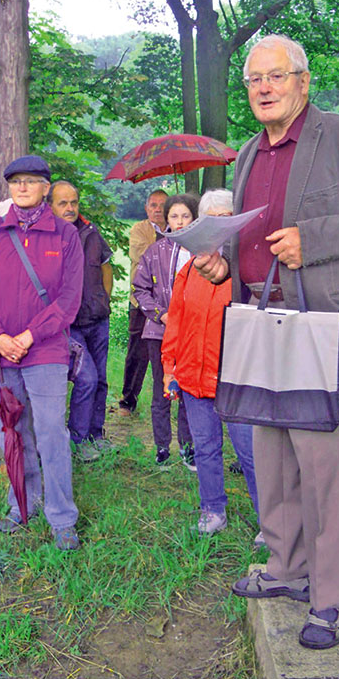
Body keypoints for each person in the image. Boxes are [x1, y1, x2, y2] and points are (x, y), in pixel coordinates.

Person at [197, 35, 339, 649]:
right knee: (273, 459)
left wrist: (311, 238)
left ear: (303, 82)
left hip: (326, 331)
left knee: (325, 472)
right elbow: (252, 234)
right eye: (254, 80)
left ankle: (328, 599)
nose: (264, 87)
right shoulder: (245, 155)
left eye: (276, 76)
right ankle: (285, 570)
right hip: (263, 325)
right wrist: (224, 264)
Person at [0, 155, 84, 550]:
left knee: (50, 431)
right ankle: (22, 502)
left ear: (46, 188)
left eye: (31, 181)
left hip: (45, 349)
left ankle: (62, 516)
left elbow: (68, 300)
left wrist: (30, 336)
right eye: (15, 181)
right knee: (10, 433)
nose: (22, 187)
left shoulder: (65, 236)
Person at [161, 189, 260, 536]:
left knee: (251, 454)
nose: (218, 226)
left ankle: (270, 522)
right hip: (192, 376)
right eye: (211, 219)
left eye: (225, 218)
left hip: (235, 379)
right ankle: (213, 510)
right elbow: (175, 322)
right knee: (205, 448)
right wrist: (170, 368)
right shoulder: (187, 272)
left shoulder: (245, 271)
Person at [48, 180, 114, 462]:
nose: (70, 208)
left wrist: (104, 300)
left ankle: (95, 435)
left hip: (98, 318)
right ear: (49, 205)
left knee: (100, 379)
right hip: (68, 325)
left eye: (73, 202)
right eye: (63, 203)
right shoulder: (47, 236)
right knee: (85, 379)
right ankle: (76, 440)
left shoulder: (90, 231)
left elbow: (105, 267)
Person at [133, 193, 196, 468]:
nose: (180, 222)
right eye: (174, 216)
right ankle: (162, 447)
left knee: (188, 391)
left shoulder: (203, 251)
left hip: (193, 333)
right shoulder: (156, 251)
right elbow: (140, 288)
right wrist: (161, 314)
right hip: (159, 334)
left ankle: (189, 447)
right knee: (163, 391)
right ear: (166, 220)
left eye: (185, 216)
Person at [119, 188, 168, 416]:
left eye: (162, 205)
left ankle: (169, 400)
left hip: (171, 303)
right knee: (137, 354)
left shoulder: (178, 229)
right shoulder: (139, 229)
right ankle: (128, 401)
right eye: (153, 205)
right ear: (146, 208)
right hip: (141, 302)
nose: (158, 210)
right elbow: (144, 256)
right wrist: (173, 241)